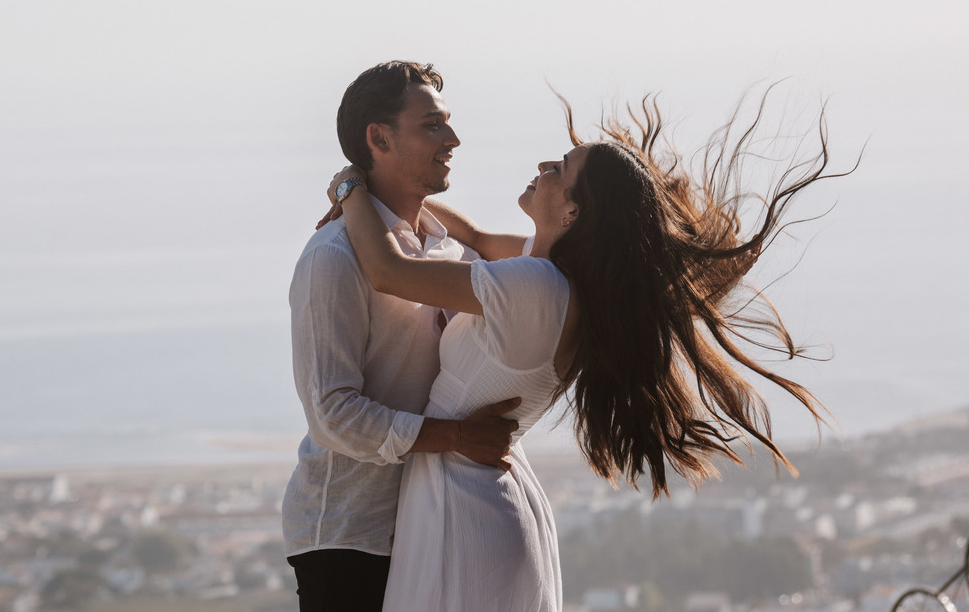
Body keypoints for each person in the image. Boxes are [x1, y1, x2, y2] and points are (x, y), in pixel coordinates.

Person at [323, 93, 845, 612]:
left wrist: (350, 187)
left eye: (562, 168)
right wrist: (383, 191)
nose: (544, 165)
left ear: (573, 209)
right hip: (478, 499)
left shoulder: (534, 288)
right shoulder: (560, 279)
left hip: (465, 515)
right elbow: (475, 236)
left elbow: (390, 273)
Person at [281, 61, 522, 612]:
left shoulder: (445, 245)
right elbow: (333, 413)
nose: (453, 140)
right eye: (432, 125)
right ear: (379, 138)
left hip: (431, 518)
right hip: (350, 535)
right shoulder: (333, 259)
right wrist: (459, 439)